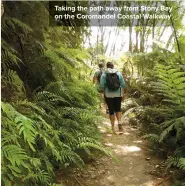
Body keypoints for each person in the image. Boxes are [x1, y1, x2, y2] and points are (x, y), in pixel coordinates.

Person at [100, 62, 126, 133]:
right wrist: (123, 94)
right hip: (118, 94)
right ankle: (119, 123)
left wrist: (104, 92)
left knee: (111, 110)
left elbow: (101, 85)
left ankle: (112, 127)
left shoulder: (104, 74)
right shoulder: (118, 73)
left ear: (107, 66)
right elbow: (123, 84)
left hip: (108, 94)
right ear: (113, 66)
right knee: (118, 109)